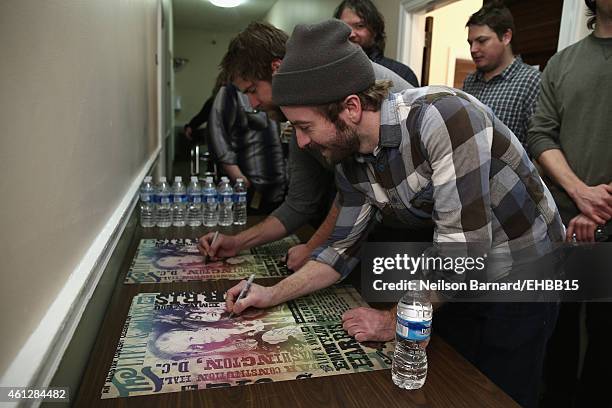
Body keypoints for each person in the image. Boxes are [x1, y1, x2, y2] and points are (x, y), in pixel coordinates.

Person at [218, 20, 565, 408]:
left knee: (501, 390)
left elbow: (462, 250)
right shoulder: (350, 161)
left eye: (304, 127)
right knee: (457, 381)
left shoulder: (444, 117)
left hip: (524, 263)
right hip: (463, 268)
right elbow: (338, 253)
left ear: (350, 108)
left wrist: (390, 320)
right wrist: (270, 294)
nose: (300, 141)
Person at [199, 21, 415, 271]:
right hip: (367, 233)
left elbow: (359, 192)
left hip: (418, 237)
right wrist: (237, 242)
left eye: (253, 90)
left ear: (277, 70)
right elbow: (300, 203)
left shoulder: (350, 83)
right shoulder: (302, 120)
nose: (252, 104)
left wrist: (312, 247)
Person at [527, 0, 612, 406]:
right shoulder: (562, 63)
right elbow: (541, 135)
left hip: (602, 223)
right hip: (564, 225)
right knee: (555, 330)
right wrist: (580, 193)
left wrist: (601, 207)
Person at [462, 1, 540, 148]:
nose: (473, 49)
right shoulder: (470, 81)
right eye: (470, 43)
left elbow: (539, 144)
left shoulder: (531, 81)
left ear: (506, 37)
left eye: (481, 41)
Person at [208, 81, 286, 213]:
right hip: (250, 193)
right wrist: (240, 179)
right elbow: (217, 135)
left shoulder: (273, 87)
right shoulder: (230, 92)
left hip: (281, 192)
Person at [334, 0, 419, 87]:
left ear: (375, 30)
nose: (351, 34)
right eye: (344, 27)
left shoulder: (402, 73)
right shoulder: (329, 71)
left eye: (360, 26)